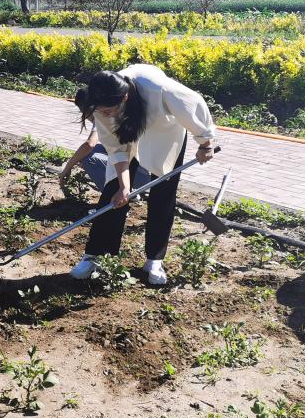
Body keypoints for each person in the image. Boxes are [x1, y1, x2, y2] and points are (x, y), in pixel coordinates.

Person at [69, 66, 217, 286]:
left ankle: (154, 260)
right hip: (127, 132)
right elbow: (117, 150)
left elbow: (193, 104)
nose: (105, 115)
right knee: (112, 192)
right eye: (101, 111)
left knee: (163, 193)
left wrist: (205, 144)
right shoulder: (100, 104)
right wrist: (124, 187)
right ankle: (96, 255)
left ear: (124, 98)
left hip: (165, 132)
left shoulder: (160, 90)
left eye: (109, 111)